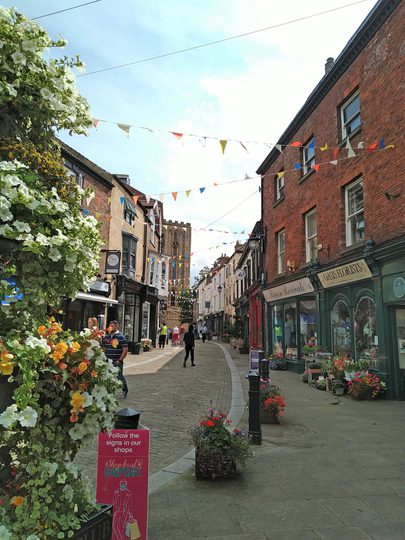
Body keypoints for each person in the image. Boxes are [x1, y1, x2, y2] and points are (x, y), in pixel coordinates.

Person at [102, 320, 129, 399]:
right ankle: (109, 392)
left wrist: (120, 360)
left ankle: (125, 390)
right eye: (110, 326)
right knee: (108, 376)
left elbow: (125, 349)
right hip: (108, 360)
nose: (111, 327)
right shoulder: (106, 337)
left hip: (117, 360)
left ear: (117, 326)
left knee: (119, 376)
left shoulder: (121, 337)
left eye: (113, 326)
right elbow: (104, 348)